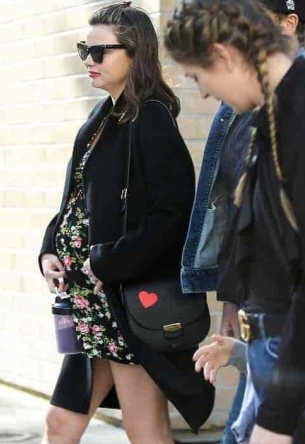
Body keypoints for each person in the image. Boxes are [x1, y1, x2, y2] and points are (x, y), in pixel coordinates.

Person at [38, 3, 214, 443]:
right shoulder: (102, 118)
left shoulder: (150, 118)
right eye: (85, 50)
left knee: (145, 431)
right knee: (61, 424)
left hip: (123, 306)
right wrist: (49, 249)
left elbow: (172, 214)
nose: (90, 60)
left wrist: (108, 262)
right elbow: (77, 201)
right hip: (90, 305)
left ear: (136, 54)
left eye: (101, 52)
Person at [165, 0, 305, 443]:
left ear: (223, 54)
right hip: (273, 360)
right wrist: (247, 347)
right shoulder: (270, 115)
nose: (205, 94)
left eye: (197, 76)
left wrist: (277, 421)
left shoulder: (297, 115)